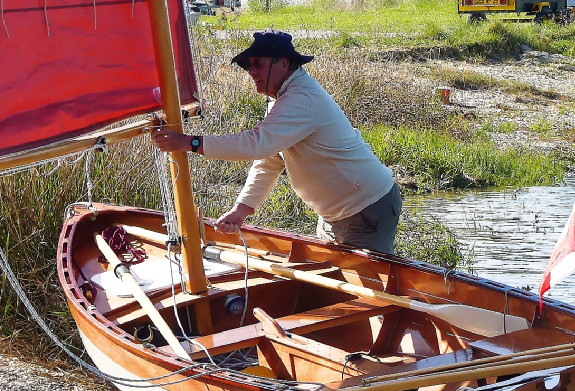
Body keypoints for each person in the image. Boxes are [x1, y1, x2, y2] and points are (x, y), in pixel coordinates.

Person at [152, 30, 402, 254]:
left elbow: (257, 144)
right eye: (248, 66)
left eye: (258, 64)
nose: (251, 72)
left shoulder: (301, 98)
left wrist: (190, 143)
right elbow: (270, 159)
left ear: (283, 63)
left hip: (365, 209)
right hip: (338, 214)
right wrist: (241, 209)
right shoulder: (282, 99)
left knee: (365, 287)